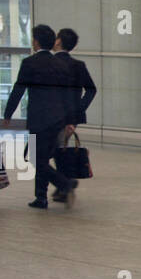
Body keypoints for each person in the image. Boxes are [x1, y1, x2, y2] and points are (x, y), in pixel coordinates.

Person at [2, 24, 75, 209]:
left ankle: (64, 183)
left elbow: (19, 89)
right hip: (58, 119)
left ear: (36, 42)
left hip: (39, 120)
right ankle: (41, 197)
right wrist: (69, 120)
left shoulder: (29, 63)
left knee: (36, 158)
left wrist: (8, 113)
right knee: (42, 157)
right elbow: (67, 96)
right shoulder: (61, 64)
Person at [49, 27, 97, 203]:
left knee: (45, 155)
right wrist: (78, 111)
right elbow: (91, 90)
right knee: (59, 152)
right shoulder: (78, 65)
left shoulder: (50, 64)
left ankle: (64, 184)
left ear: (59, 41)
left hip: (53, 118)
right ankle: (63, 186)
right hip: (70, 118)